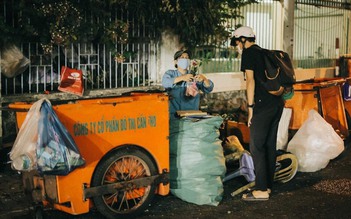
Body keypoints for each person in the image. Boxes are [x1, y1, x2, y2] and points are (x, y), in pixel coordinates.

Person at [231, 26, 284, 201]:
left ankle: (261, 190)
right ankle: (267, 185)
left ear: (243, 40)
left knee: (256, 146)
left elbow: (250, 82)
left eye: (238, 42)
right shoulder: (263, 52)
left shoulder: (249, 54)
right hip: (277, 103)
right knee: (269, 144)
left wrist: (251, 109)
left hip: (262, 105)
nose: (237, 45)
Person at [162, 50, 214, 119]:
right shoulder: (170, 74)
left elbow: (208, 88)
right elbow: (165, 82)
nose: (185, 59)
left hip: (192, 115)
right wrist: (182, 78)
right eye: (182, 57)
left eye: (187, 58)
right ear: (176, 62)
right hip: (174, 115)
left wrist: (204, 79)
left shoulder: (194, 74)